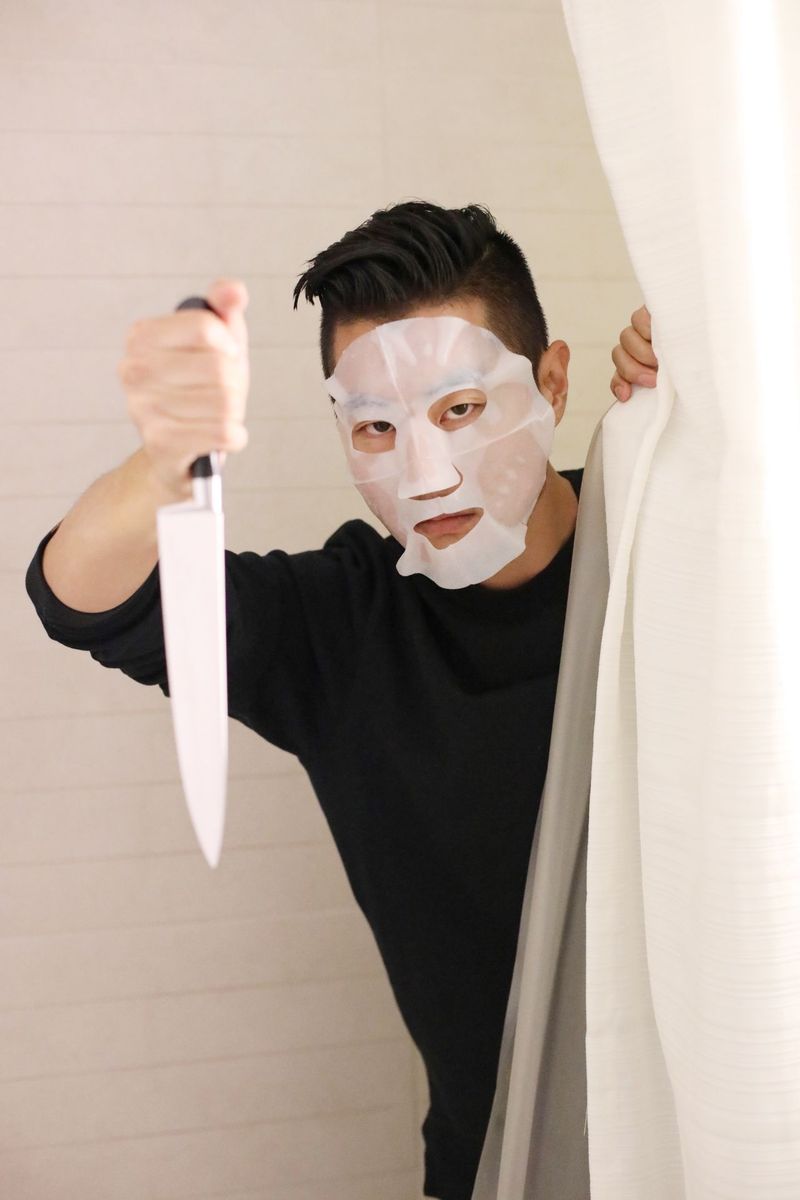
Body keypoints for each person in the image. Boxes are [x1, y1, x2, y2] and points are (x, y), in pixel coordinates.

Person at [25, 201, 657, 1200]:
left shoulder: (663, 537)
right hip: (500, 1165)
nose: (425, 477)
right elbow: (82, 596)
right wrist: (164, 459)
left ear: (551, 381)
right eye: (375, 428)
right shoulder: (342, 628)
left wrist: (730, 395)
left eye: (460, 410)